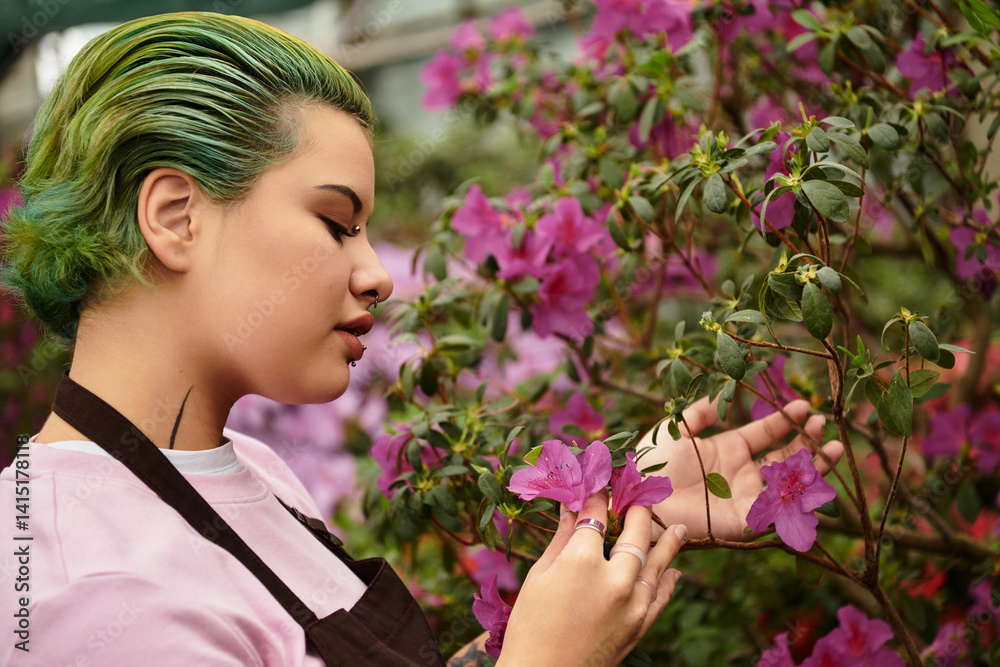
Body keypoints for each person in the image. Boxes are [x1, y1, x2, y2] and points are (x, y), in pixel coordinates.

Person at [0, 12, 843, 666]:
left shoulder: (248, 470)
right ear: (177, 217)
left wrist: (623, 505)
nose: (378, 275)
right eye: (335, 222)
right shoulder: (84, 592)